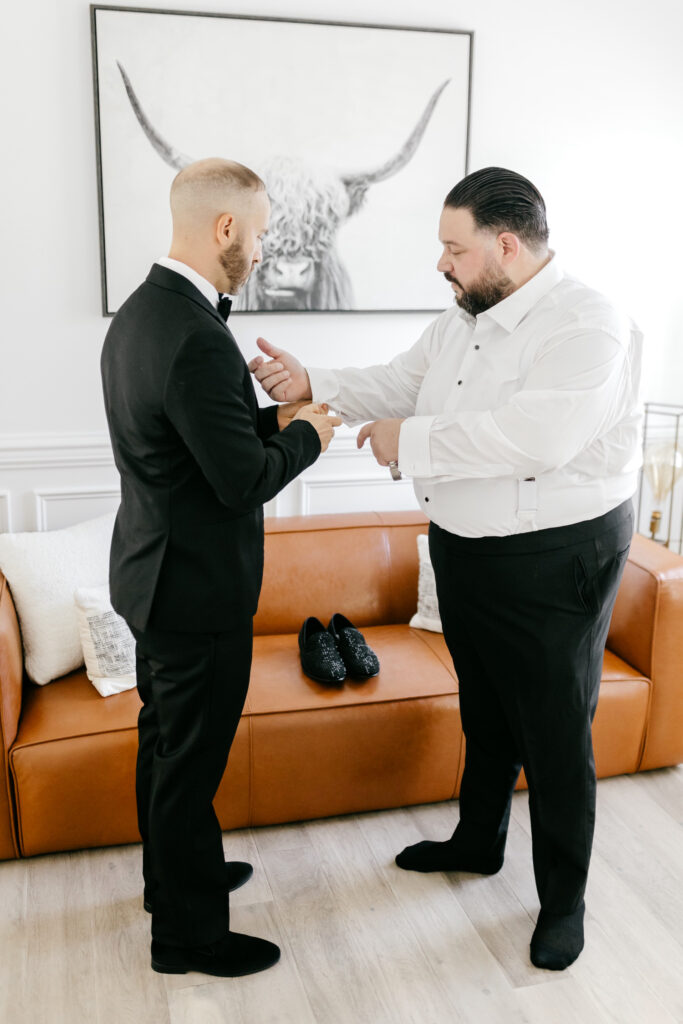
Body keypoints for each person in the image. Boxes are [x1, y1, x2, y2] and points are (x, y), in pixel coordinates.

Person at [249, 166, 642, 971]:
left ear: (505, 245)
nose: (440, 264)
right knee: (486, 710)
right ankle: (477, 842)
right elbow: (401, 380)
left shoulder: (589, 324)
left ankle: (561, 903)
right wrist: (314, 382)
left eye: (451, 248)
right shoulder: (466, 313)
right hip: (464, 548)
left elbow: (533, 439)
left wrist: (409, 440)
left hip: (554, 557)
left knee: (555, 735)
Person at [101, 157, 340, 978]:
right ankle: (188, 936)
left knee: (164, 745)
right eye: (262, 233)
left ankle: (171, 880)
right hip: (195, 592)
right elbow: (242, 478)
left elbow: (203, 439)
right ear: (226, 229)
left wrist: (279, 411)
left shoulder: (145, 315)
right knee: (189, 764)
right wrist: (310, 434)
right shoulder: (195, 335)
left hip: (151, 576)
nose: (266, 250)